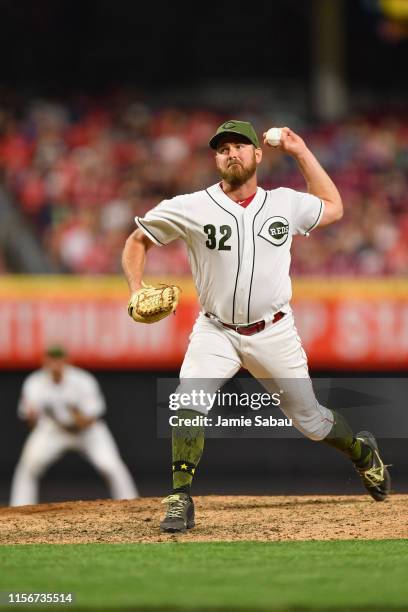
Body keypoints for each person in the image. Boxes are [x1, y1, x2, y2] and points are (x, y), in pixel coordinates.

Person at [122, 120, 391, 533]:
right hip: (216, 331)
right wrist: (135, 287)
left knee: (313, 422)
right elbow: (137, 240)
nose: (232, 153)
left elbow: (334, 207)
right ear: (215, 158)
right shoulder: (193, 206)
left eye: (240, 146)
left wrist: (300, 150)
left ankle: (361, 451)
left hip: (274, 331)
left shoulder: (284, 203)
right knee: (188, 399)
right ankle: (179, 497)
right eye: (223, 148)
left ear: (258, 154)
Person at [10, 345, 139, 506]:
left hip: (88, 432)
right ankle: (19, 508)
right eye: (51, 358)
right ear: (45, 361)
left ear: (66, 360)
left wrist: (75, 415)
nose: (55, 362)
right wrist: (32, 418)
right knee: (29, 464)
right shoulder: (34, 383)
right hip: (54, 430)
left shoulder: (83, 380)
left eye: (58, 358)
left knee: (110, 465)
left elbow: (89, 420)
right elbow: (31, 422)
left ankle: (132, 505)